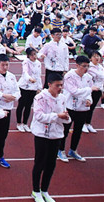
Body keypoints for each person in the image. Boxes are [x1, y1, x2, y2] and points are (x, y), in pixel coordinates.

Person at [31, 73, 70, 202]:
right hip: (42, 134)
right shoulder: (39, 97)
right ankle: (35, 191)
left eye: (61, 85)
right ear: (49, 84)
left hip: (56, 135)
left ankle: (45, 190)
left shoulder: (63, 98)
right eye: (57, 85)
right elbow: (39, 116)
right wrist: (57, 116)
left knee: (51, 164)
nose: (60, 88)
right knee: (39, 163)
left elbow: (65, 116)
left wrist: (65, 117)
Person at [58, 55, 96, 162]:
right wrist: (89, 89)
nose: (86, 69)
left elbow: (89, 92)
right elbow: (74, 91)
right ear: (77, 65)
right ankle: (60, 150)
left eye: (88, 66)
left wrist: (89, 100)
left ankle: (73, 150)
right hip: (70, 107)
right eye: (84, 66)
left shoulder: (88, 77)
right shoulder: (69, 76)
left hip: (82, 108)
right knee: (65, 130)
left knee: (78, 131)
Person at [16, 47, 42, 132]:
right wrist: (29, 79)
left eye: (35, 54)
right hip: (24, 86)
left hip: (33, 87)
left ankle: (25, 123)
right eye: (32, 55)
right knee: (21, 104)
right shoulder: (26, 62)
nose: (34, 56)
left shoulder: (38, 63)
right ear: (28, 56)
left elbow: (39, 76)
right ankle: (19, 123)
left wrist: (39, 87)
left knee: (28, 106)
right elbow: (25, 72)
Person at [84, 50, 103, 133]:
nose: (97, 58)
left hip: (98, 90)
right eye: (94, 56)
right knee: (86, 107)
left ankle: (88, 123)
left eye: (98, 56)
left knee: (92, 108)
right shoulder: (89, 67)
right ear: (90, 58)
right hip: (90, 90)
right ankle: (82, 124)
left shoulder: (101, 67)